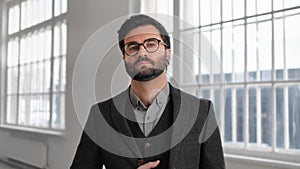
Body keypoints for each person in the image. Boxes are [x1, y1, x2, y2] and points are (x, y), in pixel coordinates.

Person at [70, 14, 225, 169]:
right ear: (124, 57)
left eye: (151, 44)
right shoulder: (100, 115)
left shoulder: (201, 112)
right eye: (133, 47)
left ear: (168, 53)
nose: (142, 52)